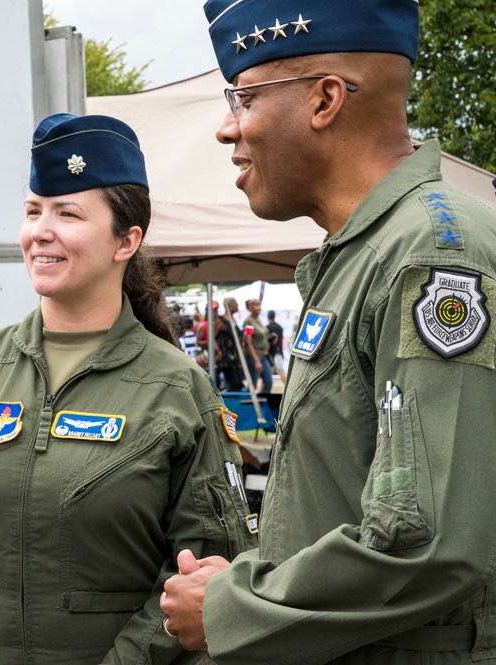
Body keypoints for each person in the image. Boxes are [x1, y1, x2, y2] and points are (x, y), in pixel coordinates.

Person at [160, 1, 496, 662]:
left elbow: (427, 540)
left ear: (323, 101)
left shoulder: (427, 251)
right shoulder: (360, 255)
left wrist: (231, 604)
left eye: (243, 97)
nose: (228, 131)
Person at [0, 113, 256, 665]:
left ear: (126, 240)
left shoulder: (177, 391)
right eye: (33, 211)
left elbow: (203, 570)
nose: (41, 231)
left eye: (67, 213)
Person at [242, 298, 272, 393]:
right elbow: (248, 342)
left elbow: (263, 335)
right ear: (250, 307)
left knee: (268, 382)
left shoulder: (259, 320)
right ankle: (246, 405)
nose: (259, 308)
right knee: (253, 385)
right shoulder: (249, 322)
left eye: (259, 305)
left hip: (263, 356)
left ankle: (262, 403)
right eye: (256, 305)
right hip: (253, 357)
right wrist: (256, 361)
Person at [266, 309, 286, 381]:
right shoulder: (279, 327)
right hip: (279, 351)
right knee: (280, 371)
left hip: (271, 353)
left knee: (271, 372)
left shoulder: (267, 327)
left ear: (268, 317)